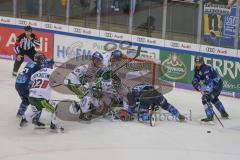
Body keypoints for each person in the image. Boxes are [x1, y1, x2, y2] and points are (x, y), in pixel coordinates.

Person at [19, 60, 63, 131]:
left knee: (36, 109)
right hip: (42, 99)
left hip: (31, 96)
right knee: (56, 109)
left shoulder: (36, 73)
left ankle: (24, 120)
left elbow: (32, 79)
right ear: (50, 65)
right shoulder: (52, 71)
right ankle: (55, 125)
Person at [64, 51, 104, 121]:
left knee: (88, 95)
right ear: (94, 60)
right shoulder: (90, 67)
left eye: (100, 61)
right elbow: (84, 80)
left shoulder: (92, 66)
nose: (99, 62)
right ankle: (82, 114)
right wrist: (94, 89)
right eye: (98, 61)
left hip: (73, 81)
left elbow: (88, 80)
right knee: (87, 97)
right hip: (72, 82)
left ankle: (79, 105)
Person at [192, 56, 229, 122]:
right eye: (196, 62)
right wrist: (195, 82)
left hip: (216, 85)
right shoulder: (197, 69)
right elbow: (196, 77)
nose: (198, 64)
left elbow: (210, 83)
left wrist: (206, 92)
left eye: (199, 62)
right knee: (214, 99)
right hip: (216, 84)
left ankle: (210, 116)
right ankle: (224, 113)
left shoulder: (205, 69)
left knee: (205, 99)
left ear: (202, 62)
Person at [15, 53, 45, 118]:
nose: (43, 61)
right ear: (40, 60)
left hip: (18, 83)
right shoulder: (38, 66)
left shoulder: (29, 63)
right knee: (36, 100)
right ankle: (35, 119)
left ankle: (20, 113)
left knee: (26, 100)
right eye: (42, 59)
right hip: (25, 85)